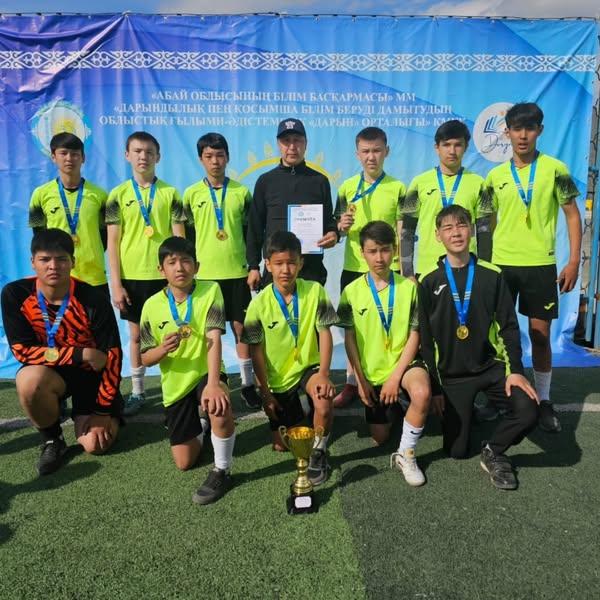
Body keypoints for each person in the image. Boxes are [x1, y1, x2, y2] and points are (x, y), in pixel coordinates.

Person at [419, 205, 539, 490]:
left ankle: (493, 450)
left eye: (461, 225)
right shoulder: (429, 281)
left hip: (490, 368)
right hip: (452, 376)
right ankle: (466, 410)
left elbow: (509, 327)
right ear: (437, 235)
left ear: (471, 230)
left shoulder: (492, 275)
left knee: (528, 411)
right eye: (448, 228)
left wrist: (516, 371)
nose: (456, 232)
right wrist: (435, 388)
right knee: (457, 450)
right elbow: (425, 339)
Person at [479, 103, 582, 433]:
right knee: (497, 335)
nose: (523, 135)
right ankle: (499, 396)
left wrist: (573, 261)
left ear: (540, 131)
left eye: (530, 128)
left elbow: (572, 215)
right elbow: (486, 224)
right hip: (501, 266)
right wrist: (483, 266)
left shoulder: (555, 169)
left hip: (540, 265)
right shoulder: (494, 176)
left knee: (540, 336)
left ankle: (544, 400)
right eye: (517, 128)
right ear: (507, 132)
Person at [1, 229, 123, 476]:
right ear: (33, 262)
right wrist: (80, 354)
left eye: (61, 259)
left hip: (91, 377)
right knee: (28, 380)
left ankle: (113, 412)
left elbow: (112, 357)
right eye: (45, 259)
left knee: (95, 445)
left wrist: (102, 412)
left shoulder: (93, 298)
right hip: (52, 374)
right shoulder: (15, 294)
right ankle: (53, 440)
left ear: (73, 262)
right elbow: (22, 351)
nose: (53, 266)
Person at [139, 236, 235, 505]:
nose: (179, 267)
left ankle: (222, 469)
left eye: (185, 261)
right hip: (176, 386)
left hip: (206, 373)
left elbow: (214, 338)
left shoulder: (211, 290)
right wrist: (162, 349)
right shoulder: (151, 306)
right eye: (172, 262)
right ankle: (201, 424)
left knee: (217, 404)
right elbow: (145, 358)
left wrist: (214, 383)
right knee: (184, 462)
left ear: (197, 266)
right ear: (161, 270)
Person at [337, 221, 431, 486]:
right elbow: (349, 340)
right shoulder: (350, 292)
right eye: (372, 251)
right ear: (362, 253)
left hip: (405, 366)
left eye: (385, 250)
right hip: (372, 375)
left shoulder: (409, 288)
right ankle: (400, 406)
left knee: (421, 392)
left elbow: (415, 336)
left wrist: (395, 378)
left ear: (395, 250)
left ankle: (406, 454)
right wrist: (360, 381)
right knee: (379, 437)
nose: (379, 258)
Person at [242, 231, 338, 485]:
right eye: (279, 263)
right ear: (268, 264)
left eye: (292, 263)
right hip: (278, 381)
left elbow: (325, 333)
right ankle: (302, 409)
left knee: (324, 400)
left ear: (301, 263)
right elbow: (255, 352)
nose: (286, 269)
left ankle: (318, 452)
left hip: (309, 368)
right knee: (282, 445)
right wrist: (265, 394)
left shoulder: (315, 291)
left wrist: (324, 374)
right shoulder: (258, 304)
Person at [106, 131, 186, 416]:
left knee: (173, 333)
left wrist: (180, 276)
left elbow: (179, 240)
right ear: (127, 155)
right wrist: (116, 285)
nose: (143, 157)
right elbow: (112, 243)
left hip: (165, 278)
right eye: (138, 151)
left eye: (149, 152)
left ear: (158, 157)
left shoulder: (171, 193)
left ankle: (176, 390)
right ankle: (138, 391)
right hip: (132, 278)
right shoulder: (117, 195)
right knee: (137, 335)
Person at [183, 133, 261, 409]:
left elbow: (252, 234)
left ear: (227, 157)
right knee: (208, 333)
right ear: (201, 159)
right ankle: (211, 380)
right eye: (209, 156)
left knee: (242, 330)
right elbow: (187, 238)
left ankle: (248, 384)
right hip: (205, 277)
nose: (215, 161)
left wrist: (253, 266)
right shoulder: (191, 194)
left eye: (219, 155)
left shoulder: (242, 192)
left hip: (237, 273)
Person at [332, 126, 406, 409]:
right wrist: (340, 227)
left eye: (376, 151)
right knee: (352, 329)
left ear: (387, 152)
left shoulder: (398, 188)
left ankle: (394, 380)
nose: (371, 157)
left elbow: (403, 233)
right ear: (357, 154)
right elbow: (337, 231)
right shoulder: (346, 188)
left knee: (391, 327)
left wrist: (405, 270)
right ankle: (353, 382)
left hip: (389, 269)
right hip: (354, 268)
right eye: (365, 151)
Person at [246, 118, 338, 290]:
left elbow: (328, 221)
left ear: (306, 144)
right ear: (278, 145)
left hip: (311, 270)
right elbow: (255, 227)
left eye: (297, 140)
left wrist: (333, 234)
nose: (292, 147)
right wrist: (253, 266)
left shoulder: (319, 181)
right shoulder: (265, 181)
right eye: (286, 141)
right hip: (276, 272)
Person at [400, 119, 489, 279]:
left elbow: (484, 232)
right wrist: (407, 273)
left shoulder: (479, 183)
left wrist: (484, 271)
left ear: (466, 147)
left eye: (458, 145)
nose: (452, 151)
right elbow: (407, 231)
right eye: (446, 145)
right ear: (437, 147)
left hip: (468, 268)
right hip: (428, 269)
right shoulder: (418, 183)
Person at [28, 132, 109, 295]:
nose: (69, 158)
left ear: (83, 158)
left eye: (75, 154)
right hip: (57, 278)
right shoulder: (40, 195)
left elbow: (105, 236)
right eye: (63, 153)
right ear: (53, 157)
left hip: (94, 277)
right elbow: (39, 237)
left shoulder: (100, 195)